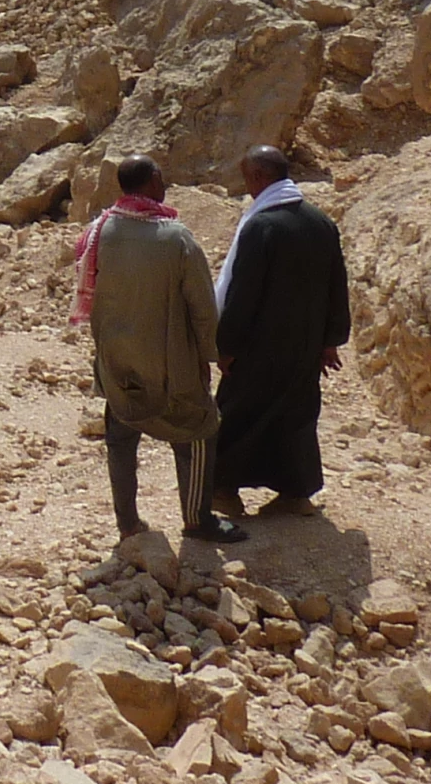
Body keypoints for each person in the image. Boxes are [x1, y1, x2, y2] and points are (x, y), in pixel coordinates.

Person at [73, 153, 245, 544]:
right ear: (150, 183)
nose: (165, 185)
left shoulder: (99, 230)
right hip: (170, 361)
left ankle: (128, 524)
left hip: (117, 358)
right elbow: (203, 307)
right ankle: (197, 520)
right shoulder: (175, 237)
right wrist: (214, 356)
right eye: (161, 179)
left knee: (121, 434)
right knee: (199, 432)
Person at [208, 144, 352, 521]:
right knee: (297, 417)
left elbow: (243, 293)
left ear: (258, 177)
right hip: (303, 346)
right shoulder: (321, 222)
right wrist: (330, 340)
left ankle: (224, 492)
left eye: (247, 180)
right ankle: (296, 494)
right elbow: (338, 284)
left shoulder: (261, 226)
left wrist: (227, 344)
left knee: (237, 413)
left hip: (260, 346)